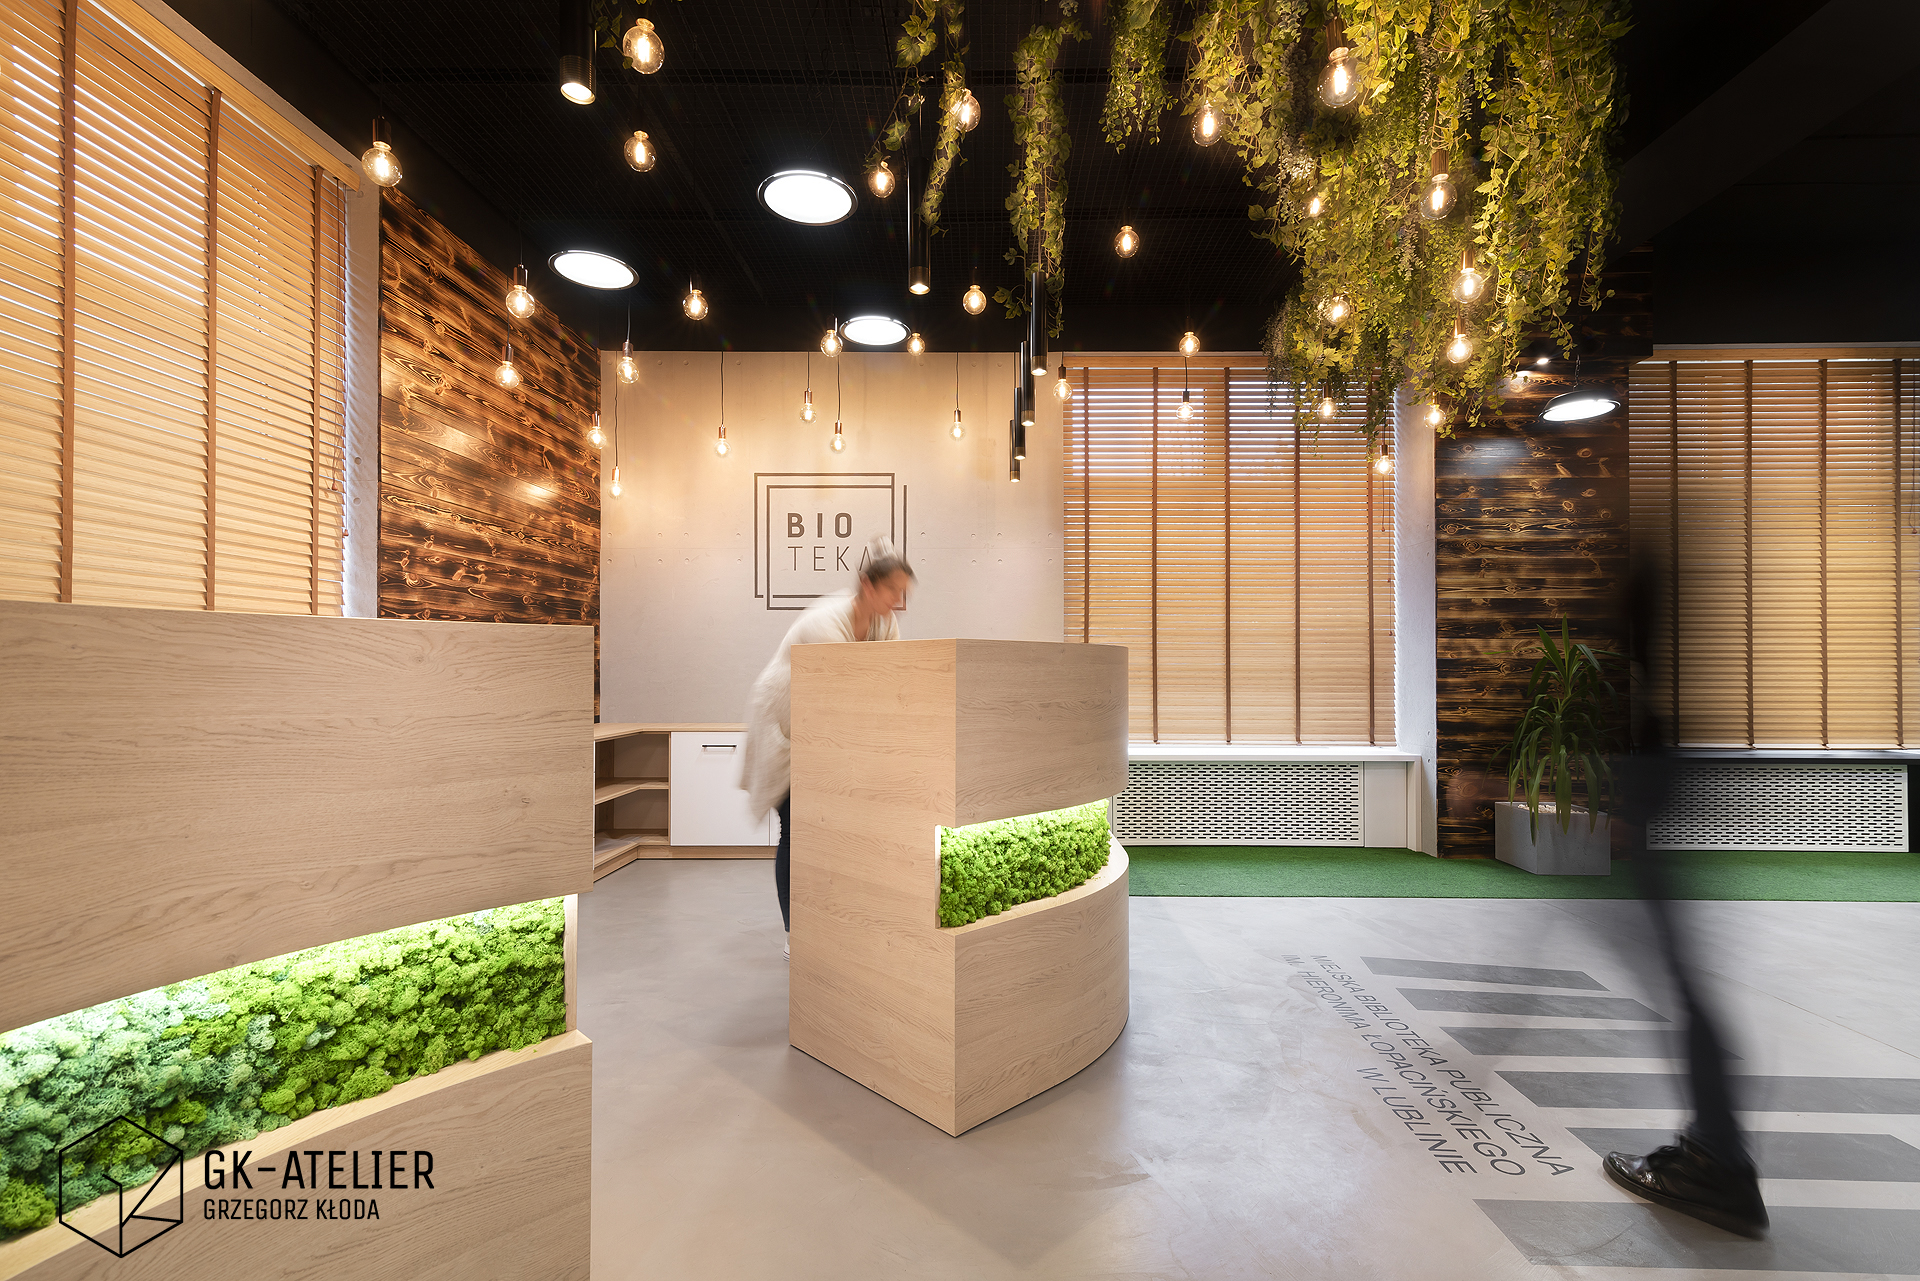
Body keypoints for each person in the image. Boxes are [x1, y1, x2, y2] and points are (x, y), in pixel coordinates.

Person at [1599, 557, 1768, 1239]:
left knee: (1690, 992)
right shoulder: (1673, 648)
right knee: (1688, 990)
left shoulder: (1660, 650)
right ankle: (1715, 1149)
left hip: (1661, 811)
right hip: (1662, 808)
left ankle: (1716, 1161)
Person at [738, 541, 914, 959]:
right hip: (785, 727)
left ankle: (831, 922)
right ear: (868, 586)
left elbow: (891, 679)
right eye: (893, 590)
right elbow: (850, 692)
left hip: (822, 729)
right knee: (797, 828)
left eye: (904, 592)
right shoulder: (825, 623)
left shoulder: (884, 624)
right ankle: (795, 932)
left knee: (832, 829)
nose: (899, 601)